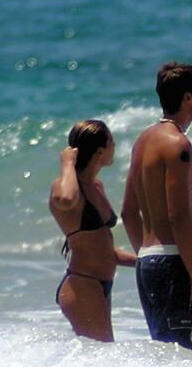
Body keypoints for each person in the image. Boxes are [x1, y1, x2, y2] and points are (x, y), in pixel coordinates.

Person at [122, 62, 192, 358]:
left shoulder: (143, 141)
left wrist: (147, 257)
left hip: (148, 264)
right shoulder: (178, 144)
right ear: (187, 98)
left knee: (174, 363)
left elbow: (128, 211)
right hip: (171, 266)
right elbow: (180, 216)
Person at [49, 119, 136, 341]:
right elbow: (66, 199)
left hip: (99, 285)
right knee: (102, 355)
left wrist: (145, 261)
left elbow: (104, 249)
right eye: (112, 143)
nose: (114, 147)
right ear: (100, 151)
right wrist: (68, 162)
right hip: (82, 286)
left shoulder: (96, 186)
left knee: (100, 357)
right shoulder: (65, 186)